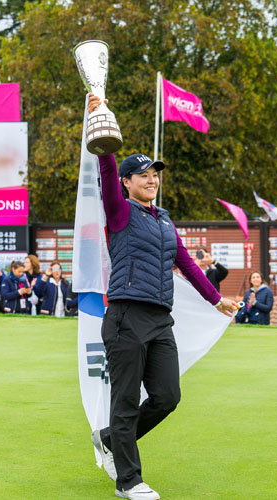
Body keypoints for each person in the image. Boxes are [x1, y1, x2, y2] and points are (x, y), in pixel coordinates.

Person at [86, 93, 239, 500]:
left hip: (159, 319)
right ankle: (129, 481)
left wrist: (216, 299)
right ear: (127, 182)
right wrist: (100, 129)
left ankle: (108, 439)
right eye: (143, 175)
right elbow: (105, 174)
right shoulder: (119, 212)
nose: (152, 179)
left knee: (167, 396)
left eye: (155, 174)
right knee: (124, 400)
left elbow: (186, 263)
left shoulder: (164, 219)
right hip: (125, 316)